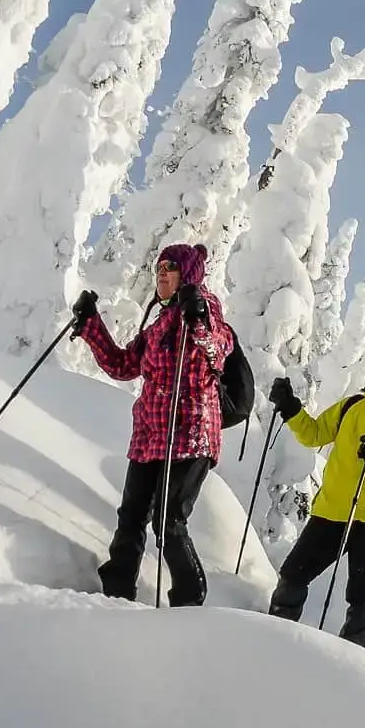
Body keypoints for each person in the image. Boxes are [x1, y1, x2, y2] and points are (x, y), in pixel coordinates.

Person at [72, 244, 232, 606]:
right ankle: (117, 594)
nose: (161, 273)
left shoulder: (205, 309)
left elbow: (219, 348)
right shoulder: (159, 324)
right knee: (131, 519)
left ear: (187, 274)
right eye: (158, 267)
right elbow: (123, 365)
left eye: (170, 267)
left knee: (168, 521)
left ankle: (190, 602)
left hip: (189, 436)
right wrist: (90, 325)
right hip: (149, 437)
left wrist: (199, 318)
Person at [266, 351, 365, 644]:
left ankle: (350, 662)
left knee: (361, 594)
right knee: (292, 574)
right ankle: (276, 641)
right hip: (331, 510)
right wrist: (290, 407)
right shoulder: (352, 405)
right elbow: (314, 434)